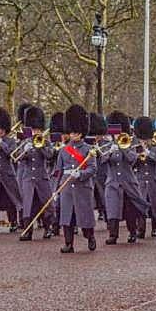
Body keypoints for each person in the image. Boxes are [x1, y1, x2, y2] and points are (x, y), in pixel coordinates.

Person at [100, 112, 149, 245]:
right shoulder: (107, 144)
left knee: (130, 210)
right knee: (112, 209)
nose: (116, 134)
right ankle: (113, 235)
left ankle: (132, 232)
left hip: (128, 181)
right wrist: (110, 151)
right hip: (112, 182)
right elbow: (102, 160)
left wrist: (122, 149)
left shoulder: (131, 142)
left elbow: (132, 159)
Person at [55, 104, 97, 253]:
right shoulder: (63, 150)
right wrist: (56, 190)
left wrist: (81, 174)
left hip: (82, 188)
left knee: (85, 218)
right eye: (71, 132)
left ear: (81, 133)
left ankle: (90, 236)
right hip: (66, 187)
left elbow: (93, 168)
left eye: (76, 133)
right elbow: (58, 171)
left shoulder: (87, 150)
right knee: (67, 218)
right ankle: (68, 244)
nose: (73, 135)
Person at [15, 105, 57, 241]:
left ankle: (48, 228)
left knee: (46, 204)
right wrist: (25, 150)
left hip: (42, 177)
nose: (35, 132)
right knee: (28, 204)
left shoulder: (46, 141)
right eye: (33, 129)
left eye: (37, 129)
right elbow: (17, 157)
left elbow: (50, 156)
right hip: (28, 178)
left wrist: (42, 146)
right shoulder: (24, 141)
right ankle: (28, 230)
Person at [0, 107, 23, 234]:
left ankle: (13, 222)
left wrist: (1, 143)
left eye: (0, 129)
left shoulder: (11, 141)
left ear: (5, 129)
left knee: (10, 199)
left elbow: (11, 154)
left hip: (7, 174)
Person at [132, 115, 156, 238]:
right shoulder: (135, 149)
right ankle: (141, 228)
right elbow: (131, 164)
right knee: (141, 204)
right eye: (141, 139)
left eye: (144, 139)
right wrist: (137, 156)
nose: (143, 141)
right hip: (140, 180)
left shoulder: (155, 148)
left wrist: (148, 153)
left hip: (153, 180)